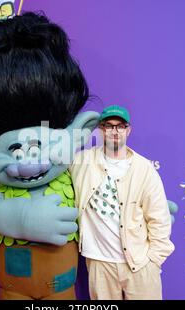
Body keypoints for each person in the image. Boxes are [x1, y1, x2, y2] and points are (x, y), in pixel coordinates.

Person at [69, 105, 175, 300]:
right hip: (99, 263)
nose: (115, 131)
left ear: (128, 130)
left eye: (120, 126)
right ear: (101, 130)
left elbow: (159, 218)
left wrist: (153, 260)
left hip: (139, 263)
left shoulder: (144, 169)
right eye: (109, 126)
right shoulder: (81, 162)